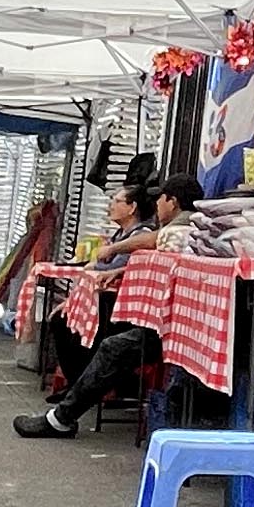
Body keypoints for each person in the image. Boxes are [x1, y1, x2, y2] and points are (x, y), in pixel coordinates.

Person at [15, 180, 191, 438]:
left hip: (170, 326)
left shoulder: (183, 226)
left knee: (108, 343)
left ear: (172, 201)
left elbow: (154, 239)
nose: (156, 205)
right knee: (72, 326)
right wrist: (118, 268)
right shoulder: (170, 229)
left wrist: (112, 251)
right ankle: (77, 396)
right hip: (158, 319)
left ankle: (62, 418)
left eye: (160, 199)